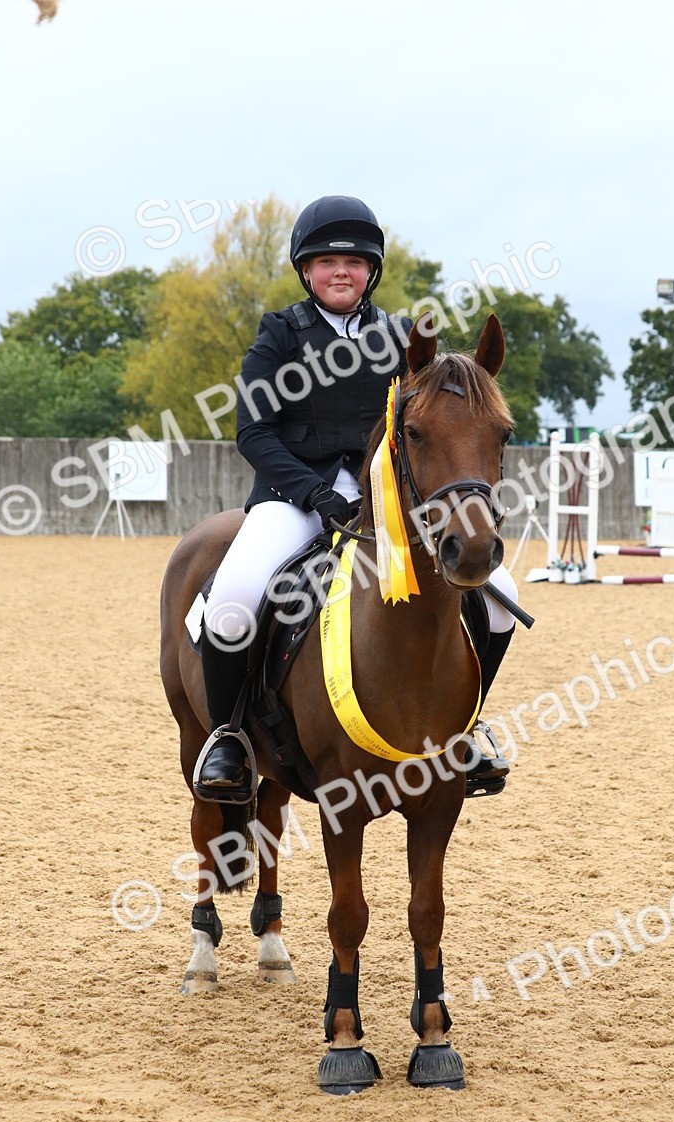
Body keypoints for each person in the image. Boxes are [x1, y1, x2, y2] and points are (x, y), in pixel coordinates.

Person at [198, 195, 518, 801]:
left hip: (385, 501)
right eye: (325, 261)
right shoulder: (279, 334)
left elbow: (426, 428)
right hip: (292, 497)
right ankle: (230, 738)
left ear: (371, 270)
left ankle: (467, 727)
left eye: (353, 260)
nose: (340, 270)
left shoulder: (400, 339)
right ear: (306, 271)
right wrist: (314, 493)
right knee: (234, 598)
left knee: (504, 598)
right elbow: (252, 431)